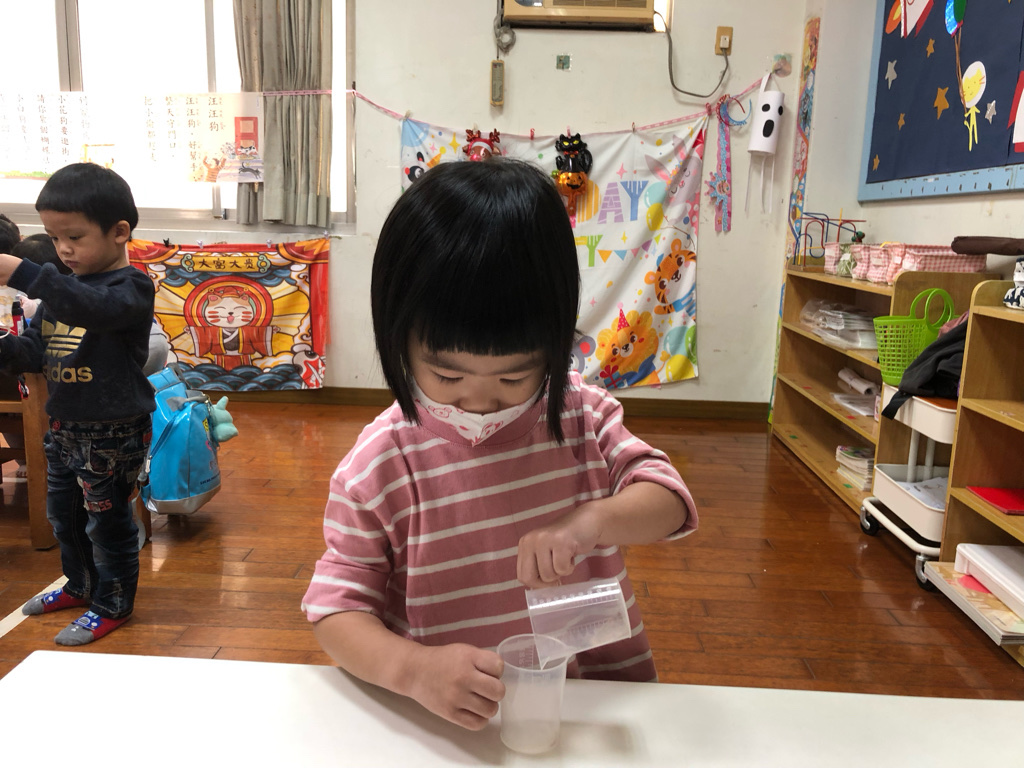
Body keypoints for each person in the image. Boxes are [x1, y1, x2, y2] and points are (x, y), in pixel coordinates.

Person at [301, 158, 698, 731]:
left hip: (587, 707)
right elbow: (336, 609)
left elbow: (669, 500)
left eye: (514, 377)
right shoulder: (380, 465)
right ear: (398, 340)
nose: (480, 401)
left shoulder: (580, 416)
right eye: (448, 376)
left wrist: (589, 524)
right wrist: (412, 670)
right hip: (453, 717)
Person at [0, 163, 156, 646]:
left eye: (74, 237)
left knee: (107, 524)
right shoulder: (62, 294)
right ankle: (80, 585)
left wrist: (26, 272)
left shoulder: (130, 288)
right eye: (53, 237)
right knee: (63, 518)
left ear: (119, 232)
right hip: (64, 428)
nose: (62, 250)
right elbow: (36, 354)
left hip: (112, 434)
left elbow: (97, 311)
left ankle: (113, 603)